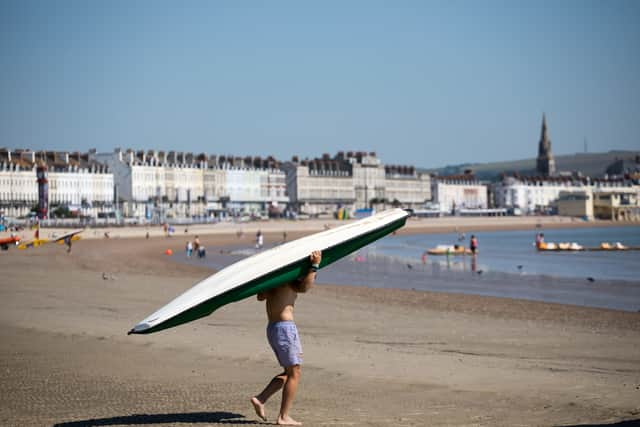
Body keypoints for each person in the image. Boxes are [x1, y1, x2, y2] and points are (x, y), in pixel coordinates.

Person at [251, 250, 322, 426]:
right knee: (294, 373)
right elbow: (304, 287)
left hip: (273, 328)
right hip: (284, 328)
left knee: (289, 372)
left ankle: (261, 399)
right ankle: (283, 416)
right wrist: (314, 267)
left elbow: (260, 296)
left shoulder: (273, 280)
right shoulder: (288, 279)